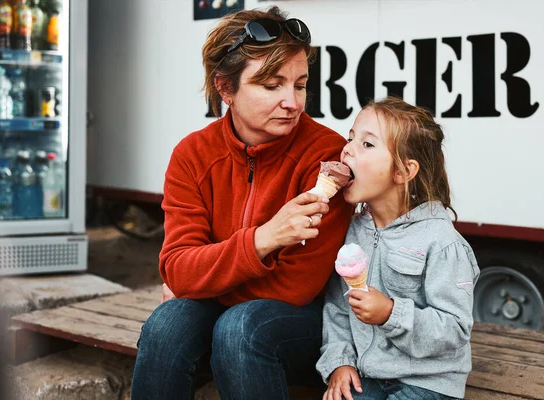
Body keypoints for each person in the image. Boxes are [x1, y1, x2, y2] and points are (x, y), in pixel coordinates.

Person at [131, 6, 354, 400]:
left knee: (239, 326)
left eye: (300, 84)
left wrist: (199, 283)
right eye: (271, 86)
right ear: (226, 88)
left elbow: (298, 286)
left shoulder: (326, 156)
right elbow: (178, 265)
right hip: (227, 313)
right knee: (167, 324)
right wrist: (263, 240)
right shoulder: (192, 154)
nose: (292, 102)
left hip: (308, 325)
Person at [316, 97, 480, 400]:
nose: (347, 148)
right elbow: (338, 309)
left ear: (404, 171)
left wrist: (391, 313)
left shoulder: (442, 242)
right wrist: (339, 362)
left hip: (428, 381)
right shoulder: (351, 232)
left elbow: (455, 329)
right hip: (371, 373)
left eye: (367, 144)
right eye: (351, 138)